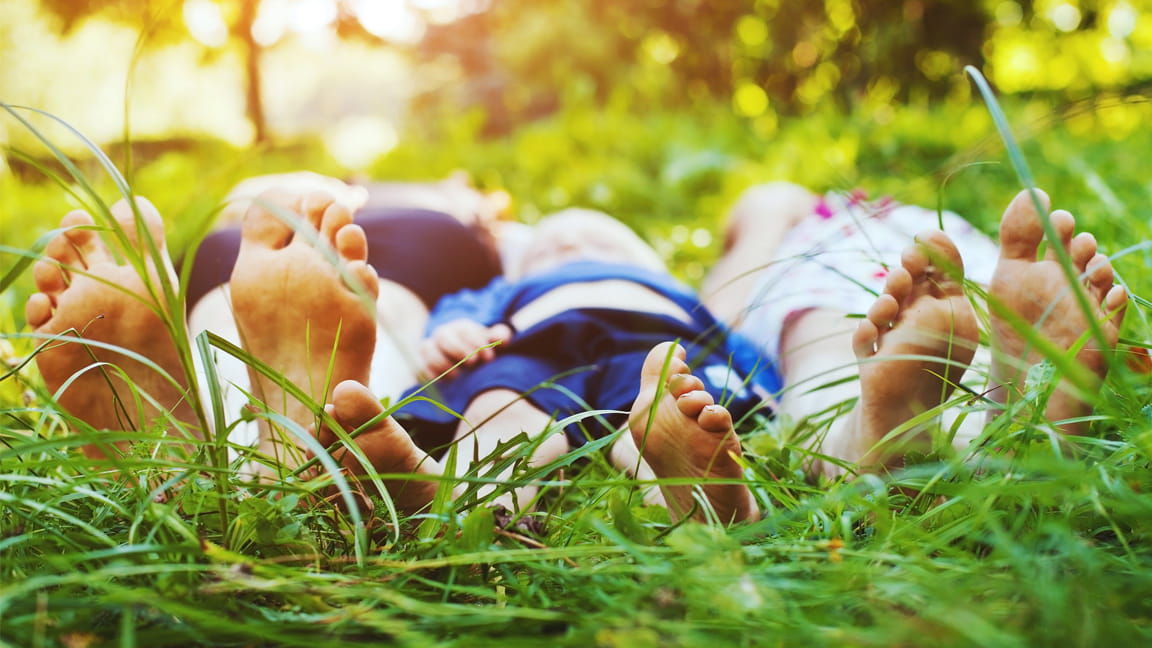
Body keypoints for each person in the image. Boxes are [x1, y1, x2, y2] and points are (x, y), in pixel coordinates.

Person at [700, 183, 1128, 478]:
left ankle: (866, 442)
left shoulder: (790, 223)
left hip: (873, 297)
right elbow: (725, 305)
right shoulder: (796, 218)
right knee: (955, 352)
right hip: (951, 290)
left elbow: (720, 312)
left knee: (831, 366)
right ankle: (1009, 432)